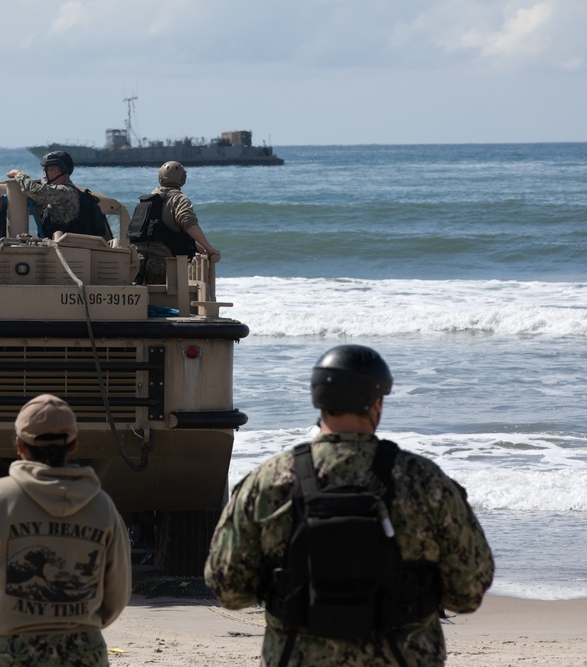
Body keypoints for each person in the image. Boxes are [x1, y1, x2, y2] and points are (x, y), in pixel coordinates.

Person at [205, 345, 494, 667]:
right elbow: (468, 590)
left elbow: (228, 588)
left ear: (318, 400)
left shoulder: (268, 481)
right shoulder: (424, 481)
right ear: (376, 403)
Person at [0, 394, 132, 667]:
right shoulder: (102, 506)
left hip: (8, 653)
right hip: (82, 654)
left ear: (19, 445)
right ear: (74, 444)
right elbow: (116, 596)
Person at [129, 161, 220, 285]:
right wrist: (209, 249)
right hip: (160, 263)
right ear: (183, 179)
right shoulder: (179, 199)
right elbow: (189, 223)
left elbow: (162, 234)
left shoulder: (148, 200)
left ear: (160, 177)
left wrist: (198, 248)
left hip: (135, 262)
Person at [6, 151, 110, 239]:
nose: (44, 176)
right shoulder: (69, 192)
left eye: (45, 171)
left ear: (55, 172)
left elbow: (34, 191)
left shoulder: (65, 192)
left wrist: (18, 174)